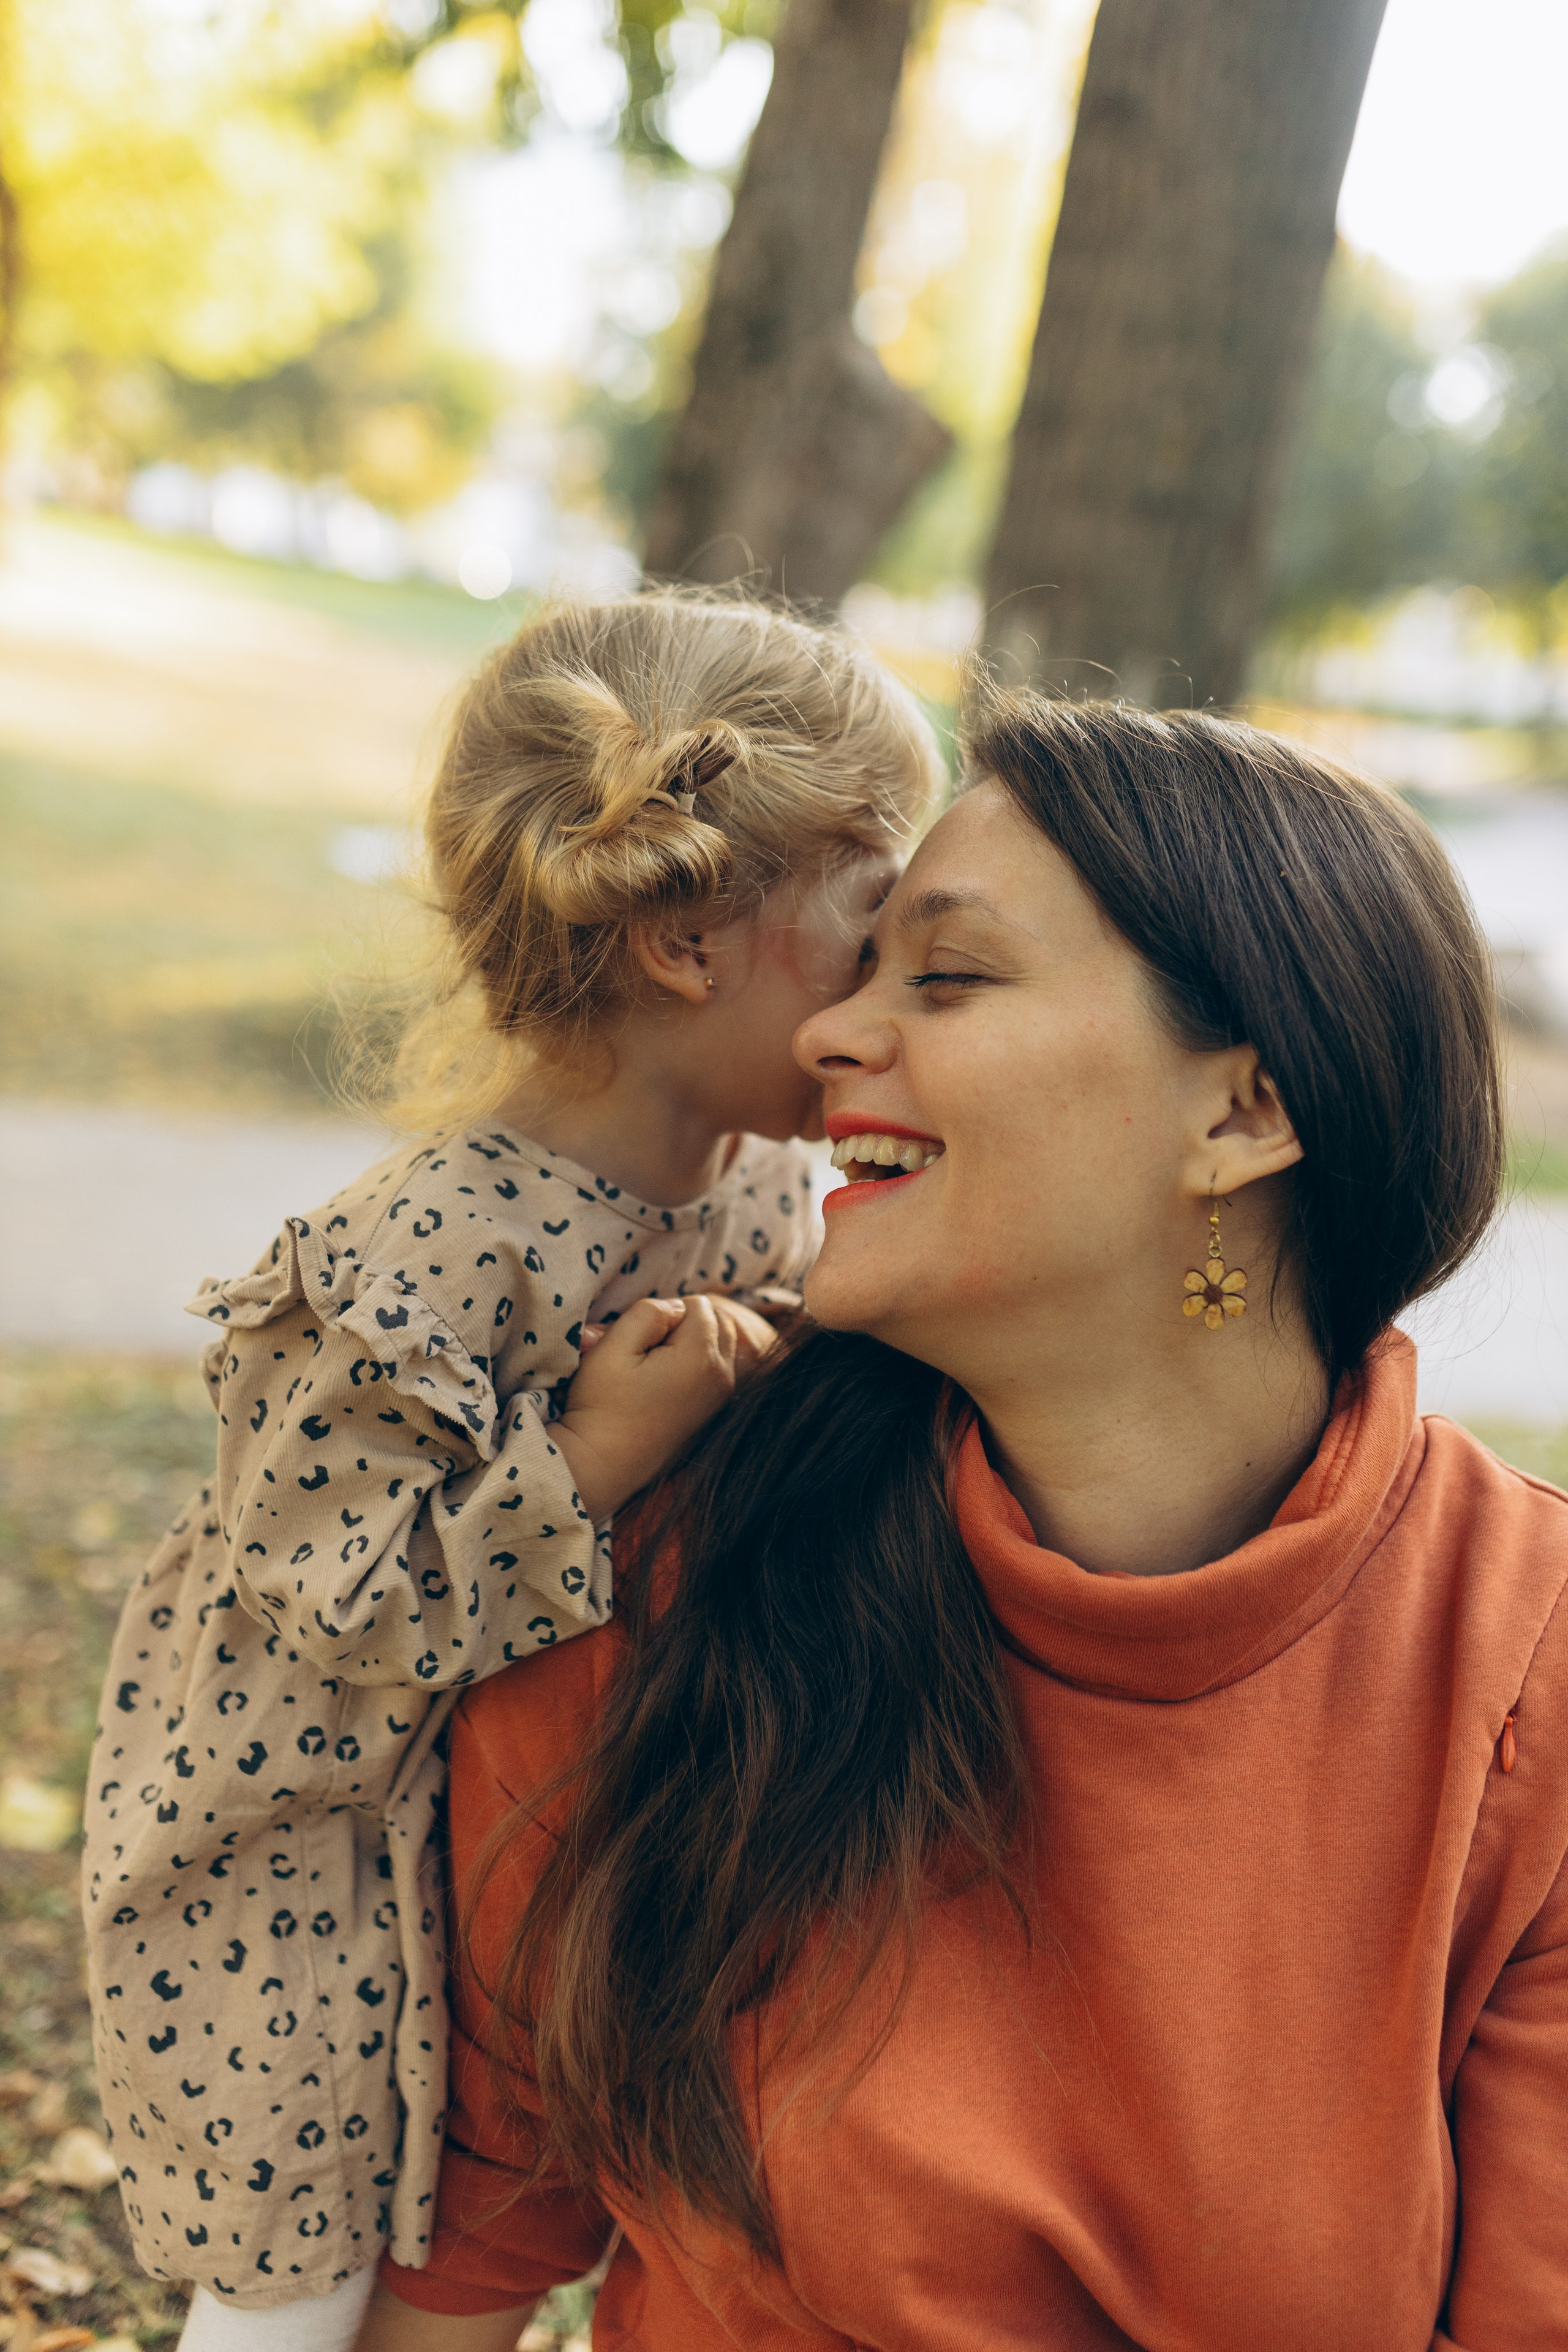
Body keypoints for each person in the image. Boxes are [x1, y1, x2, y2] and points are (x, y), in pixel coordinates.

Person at [361, 692, 1568, 2352]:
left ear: (1245, 1114)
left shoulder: (1530, 1679)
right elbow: (476, 2249)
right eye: (861, 975)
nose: (830, 1038)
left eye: (947, 976)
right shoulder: (651, 1556)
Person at [81, 590, 941, 2352]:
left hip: (531, 1824)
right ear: (693, 938)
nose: (889, 1009)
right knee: (299, 2298)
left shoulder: (768, 1187)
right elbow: (321, 1627)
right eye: (873, 935)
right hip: (309, 1868)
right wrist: (594, 1458)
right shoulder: (424, 1256)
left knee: (478, 2240)